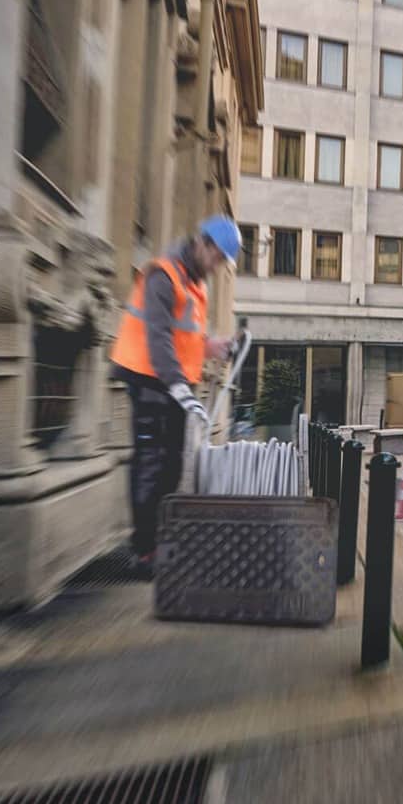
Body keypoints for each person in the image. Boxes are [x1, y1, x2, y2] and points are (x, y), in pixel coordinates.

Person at [109, 216, 242, 573]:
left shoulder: (194, 284)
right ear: (203, 244)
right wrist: (179, 386)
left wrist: (212, 347)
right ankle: (143, 551)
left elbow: (186, 339)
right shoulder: (162, 275)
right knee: (151, 462)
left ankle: (161, 541)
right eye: (216, 260)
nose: (216, 268)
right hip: (148, 378)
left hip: (172, 384)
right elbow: (159, 337)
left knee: (171, 465)